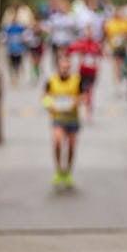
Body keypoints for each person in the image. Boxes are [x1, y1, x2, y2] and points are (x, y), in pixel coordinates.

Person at [42, 51, 82, 188]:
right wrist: (50, 105)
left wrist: (75, 102)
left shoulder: (76, 80)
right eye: (62, 66)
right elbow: (44, 96)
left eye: (67, 66)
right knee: (57, 142)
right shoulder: (51, 80)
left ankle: (68, 172)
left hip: (72, 118)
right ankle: (59, 169)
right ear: (58, 67)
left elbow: (83, 96)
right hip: (58, 117)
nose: (65, 69)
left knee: (71, 146)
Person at [68, 25, 103, 119]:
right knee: (81, 91)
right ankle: (80, 108)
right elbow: (70, 51)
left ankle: (88, 111)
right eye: (87, 32)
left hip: (92, 72)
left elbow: (100, 55)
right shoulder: (81, 43)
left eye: (90, 32)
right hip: (82, 71)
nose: (89, 34)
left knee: (89, 91)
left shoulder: (96, 44)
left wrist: (97, 65)